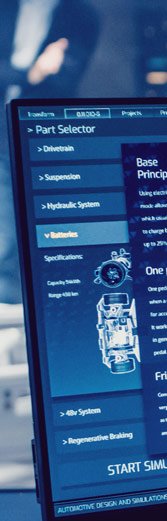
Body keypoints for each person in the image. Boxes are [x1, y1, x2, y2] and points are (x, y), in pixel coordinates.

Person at [0, 0, 100, 304]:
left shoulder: (82, 15)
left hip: (44, 130)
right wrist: (31, 73)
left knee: (46, 227)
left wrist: (34, 73)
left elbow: (66, 76)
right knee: (4, 229)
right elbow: (39, 72)